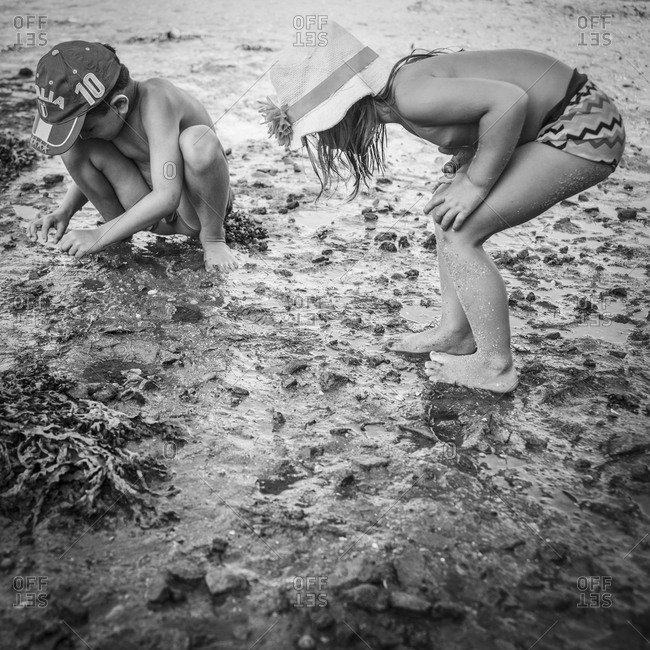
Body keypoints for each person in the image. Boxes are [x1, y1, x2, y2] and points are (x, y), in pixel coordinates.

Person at [261, 21, 625, 393]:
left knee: (462, 231)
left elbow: (510, 102)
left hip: (584, 127)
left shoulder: (411, 96)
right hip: (562, 119)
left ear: (343, 111)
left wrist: (476, 181)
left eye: (321, 131)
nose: (328, 143)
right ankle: (456, 333)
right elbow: (495, 112)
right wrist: (470, 158)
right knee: (448, 215)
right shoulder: (401, 97)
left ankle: (495, 366)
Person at [27, 41, 238, 272]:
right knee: (74, 147)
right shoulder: (109, 120)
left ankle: (213, 239)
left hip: (195, 212)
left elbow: (168, 196)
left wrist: (98, 235)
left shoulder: (157, 100)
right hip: (147, 215)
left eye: (89, 129)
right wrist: (65, 210)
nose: (86, 136)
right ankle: (118, 234)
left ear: (120, 105)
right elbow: (89, 159)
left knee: (197, 141)